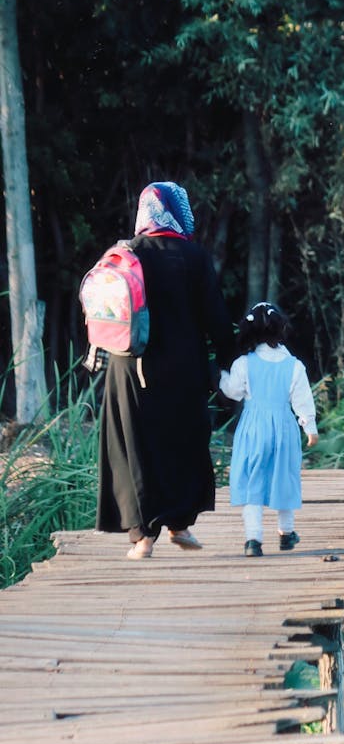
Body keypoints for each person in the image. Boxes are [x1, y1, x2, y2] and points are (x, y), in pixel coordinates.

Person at [96, 181, 234, 560]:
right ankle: (179, 523)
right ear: (176, 209)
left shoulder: (124, 253)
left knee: (135, 447)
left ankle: (142, 537)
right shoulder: (192, 256)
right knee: (182, 441)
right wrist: (229, 357)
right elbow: (215, 318)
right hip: (181, 369)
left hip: (127, 367)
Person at [219, 301, 318, 557]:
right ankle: (286, 533)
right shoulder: (294, 365)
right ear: (280, 329)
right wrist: (310, 426)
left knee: (253, 480)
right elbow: (302, 399)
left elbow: (233, 391)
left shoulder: (244, 363)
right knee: (284, 477)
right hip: (284, 428)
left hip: (253, 428)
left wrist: (220, 375)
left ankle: (253, 539)